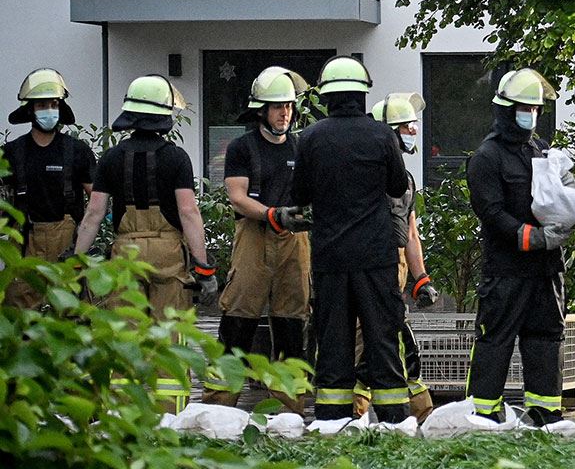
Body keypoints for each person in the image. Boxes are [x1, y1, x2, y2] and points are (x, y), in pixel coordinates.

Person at [73, 75, 215, 413]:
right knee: (169, 336)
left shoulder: (110, 158)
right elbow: (188, 212)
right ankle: (169, 418)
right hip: (168, 254)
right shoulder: (177, 158)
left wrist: (76, 261)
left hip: (125, 255)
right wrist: (204, 266)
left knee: (126, 335)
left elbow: (93, 214)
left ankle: (125, 415)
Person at [292, 56, 411, 424]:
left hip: (330, 257)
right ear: (362, 95)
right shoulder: (382, 135)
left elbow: (300, 194)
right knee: (382, 338)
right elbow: (396, 186)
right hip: (376, 255)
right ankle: (393, 417)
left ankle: (332, 418)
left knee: (333, 342)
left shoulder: (310, 137)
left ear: (327, 97)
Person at [201, 66, 312, 411]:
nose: (285, 113)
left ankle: (290, 409)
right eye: (277, 107)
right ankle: (219, 404)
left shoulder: (301, 145)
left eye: (289, 107)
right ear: (260, 110)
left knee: (292, 323)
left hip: (295, 240)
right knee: (238, 320)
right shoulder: (242, 148)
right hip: (253, 236)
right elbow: (237, 195)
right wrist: (270, 214)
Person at [467, 69, 568, 424]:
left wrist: (570, 205)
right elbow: (492, 214)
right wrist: (533, 237)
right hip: (506, 271)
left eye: (537, 109)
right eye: (526, 108)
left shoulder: (543, 152)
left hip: (546, 271)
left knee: (546, 342)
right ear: (507, 110)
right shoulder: (486, 157)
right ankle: (483, 419)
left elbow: (556, 200)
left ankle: (546, 418)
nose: (532, 115)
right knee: (494, 343)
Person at [353, 92, 439, 422]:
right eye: (406, 127)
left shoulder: (405, 181)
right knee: (368, 346)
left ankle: (419, 415)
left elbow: (411, 234)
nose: (413, 133)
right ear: (389, 133)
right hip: (372, 269)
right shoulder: (369, 179)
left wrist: (421, 279)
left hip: (396, 269)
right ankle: (354, 415)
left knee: (399, 342)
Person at [2, 69, 95, 309]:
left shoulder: (77, 151)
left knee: (70, 313)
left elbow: (96, 200)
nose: (49, 110)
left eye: (54, 104)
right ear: (31, 110)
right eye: (43, 105)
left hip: (66, 246)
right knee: (18, 314)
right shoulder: (11, 152)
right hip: (24, 244)